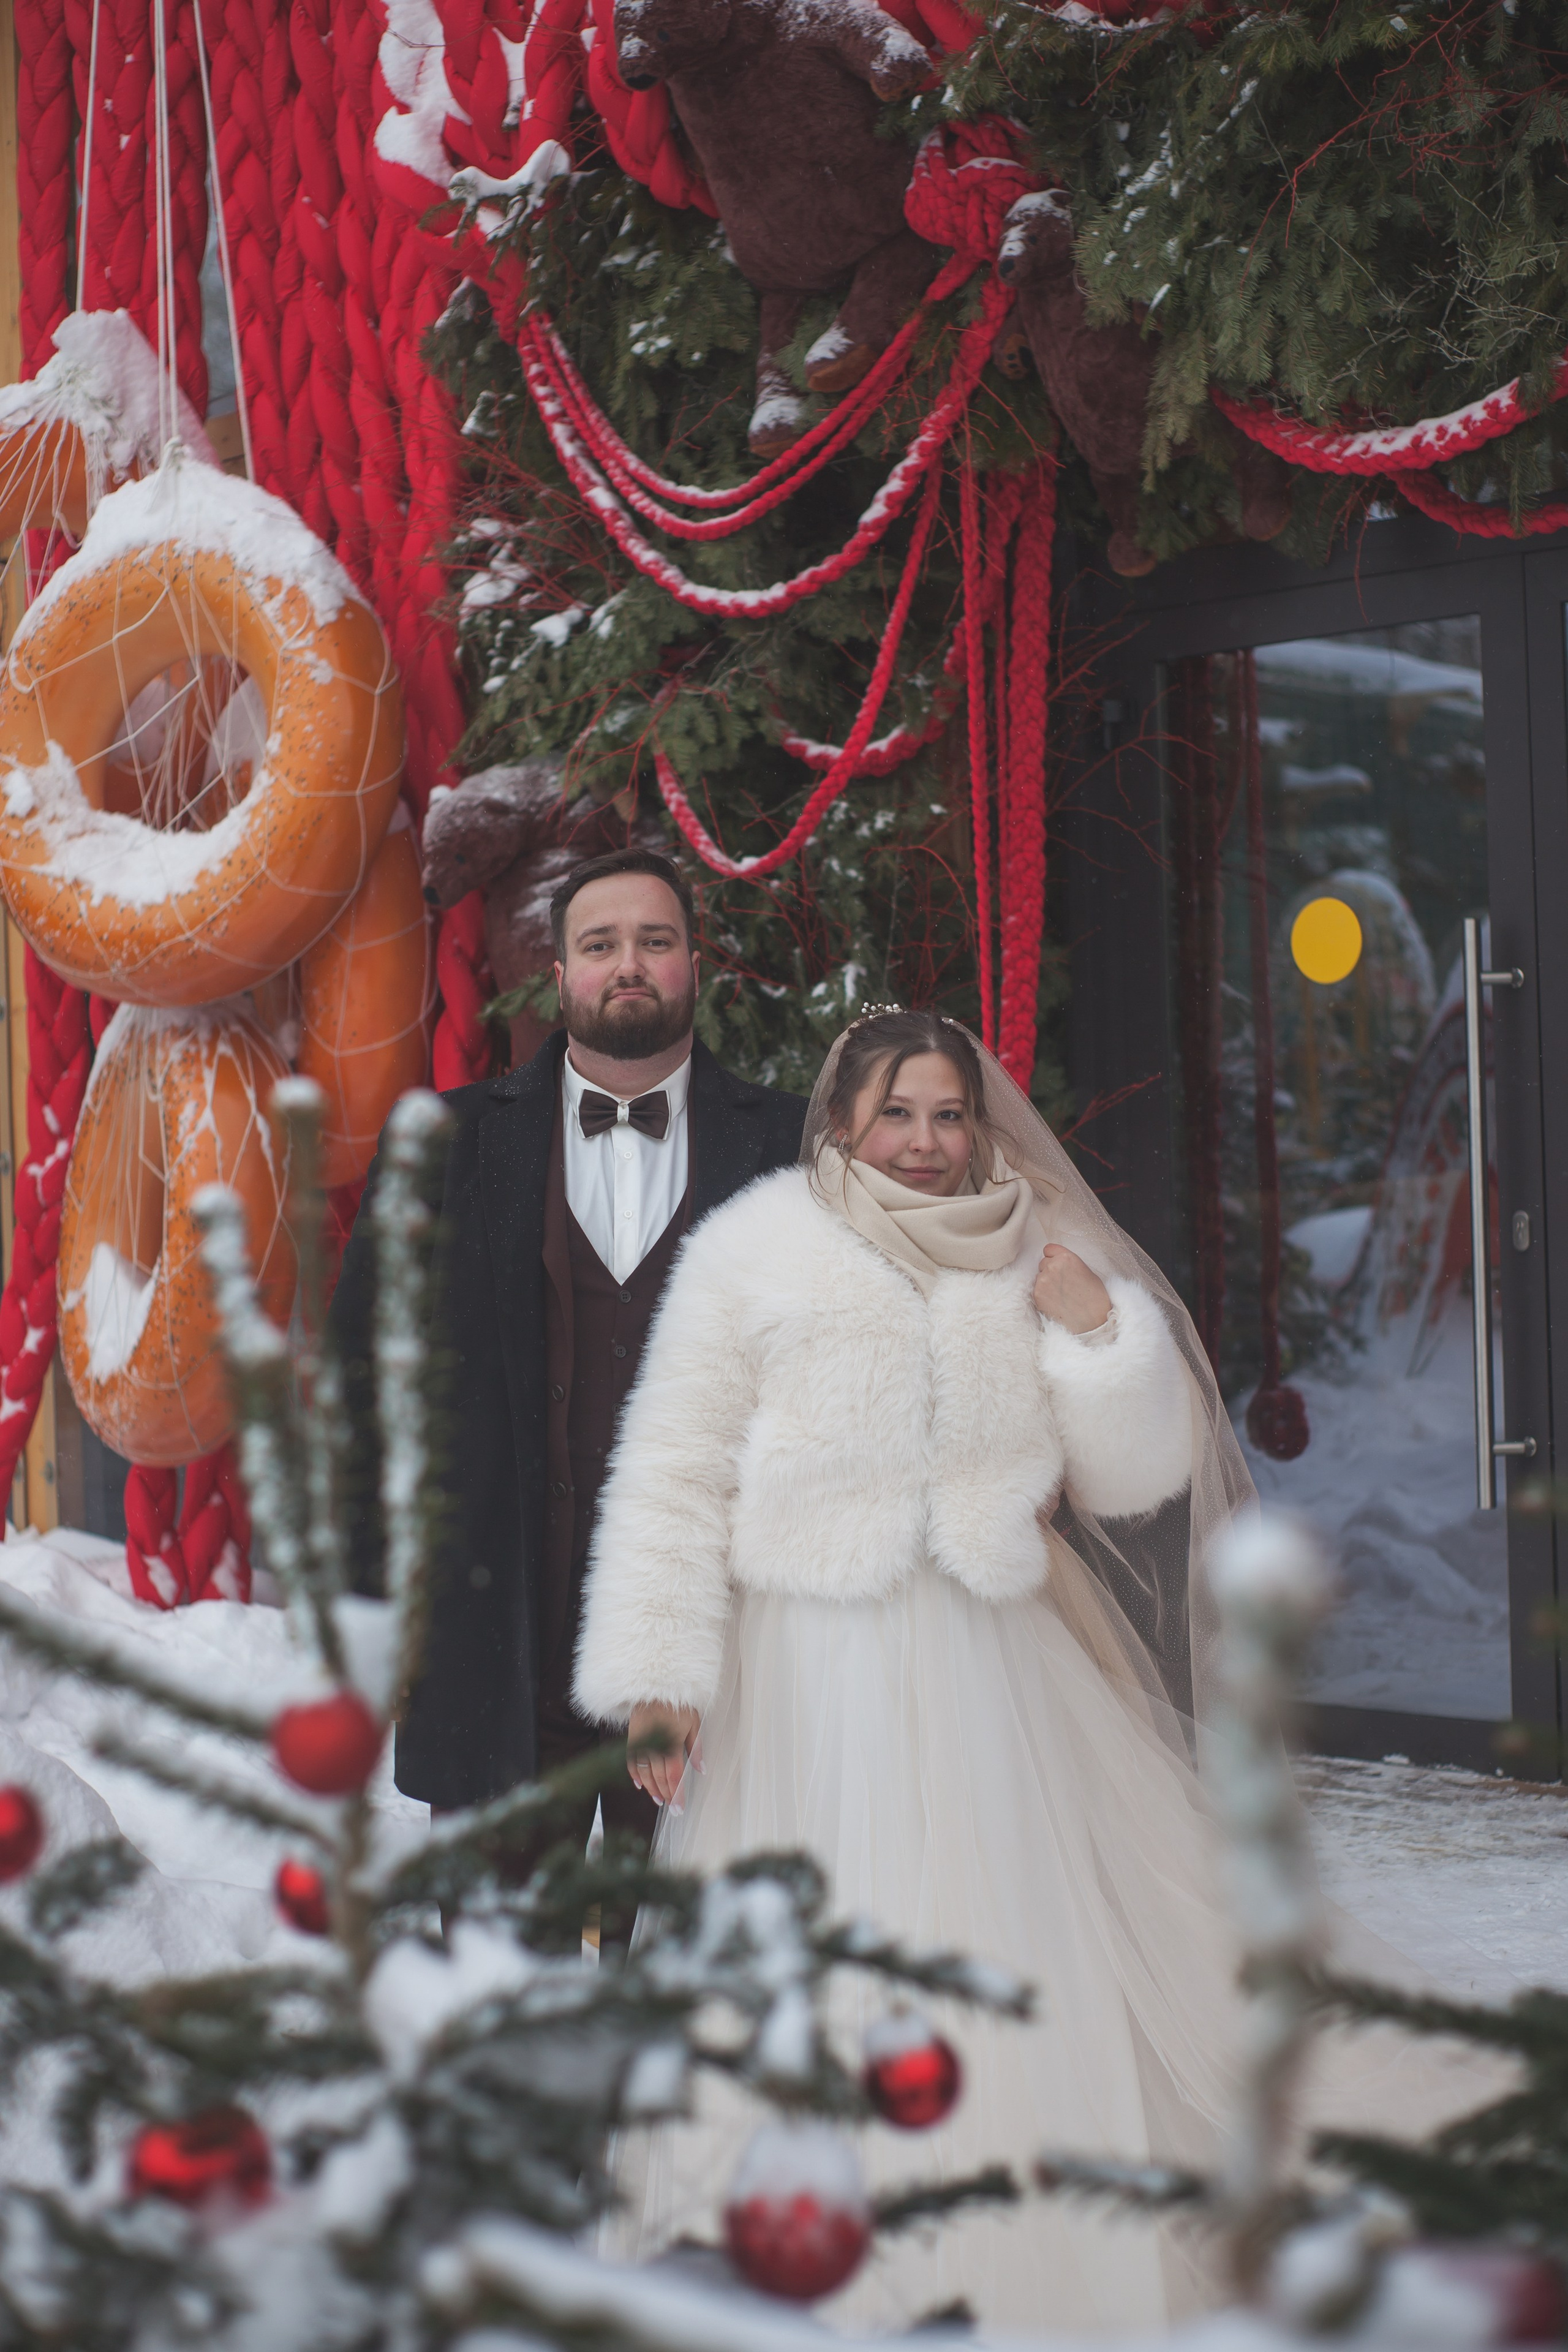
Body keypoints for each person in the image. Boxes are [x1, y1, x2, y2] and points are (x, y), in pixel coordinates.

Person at [572, 1007, 1257, 2331]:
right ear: (839, 1121)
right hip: (802, 1666)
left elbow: (1131, 1478)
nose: (927, 1142)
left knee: (995, 1944)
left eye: (949, 1114)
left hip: (983, 1659)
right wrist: (659, 1673)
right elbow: (671, 1467)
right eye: (896, 1113)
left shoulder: (1029, 1250)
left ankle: (1001, 2255)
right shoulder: (753, 1252)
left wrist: (1101, 1336)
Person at [331, 848, 807, 1891]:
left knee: (700, 2013)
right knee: (497, 1998)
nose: (627, 964)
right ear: (559, 973)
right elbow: (361, 1388)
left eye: (655, 941)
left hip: (722, 1670)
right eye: (600, 944)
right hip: (497, 1646)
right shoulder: (444, 1148)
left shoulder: (790, 1147)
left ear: (696, 964)